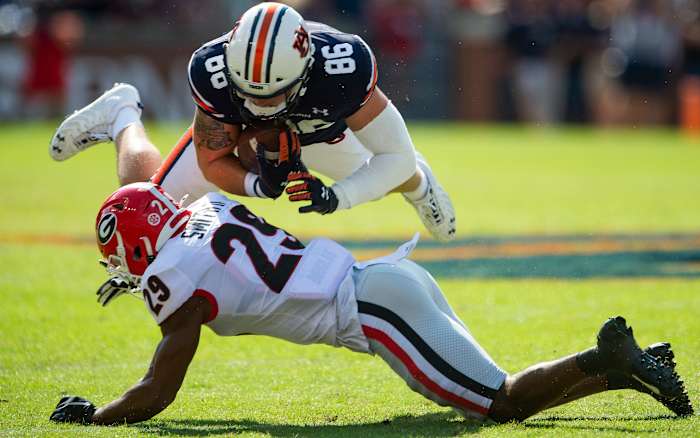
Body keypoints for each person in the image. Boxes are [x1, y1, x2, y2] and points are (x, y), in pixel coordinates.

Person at [49, 182, 692, 425]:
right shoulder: (200, 211)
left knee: (501, 404)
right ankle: (624, 371)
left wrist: (99, 418)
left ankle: (606, 354)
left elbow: (161, 388)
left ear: (136, 242)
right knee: (496, 391)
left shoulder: (173, 275)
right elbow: (150, 178)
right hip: (386, 278)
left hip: (376, 312)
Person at [49, 2, 456, 242]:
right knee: (148, 214)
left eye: (273, 94)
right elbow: (213, 160)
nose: (262, 105)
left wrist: (338, 197)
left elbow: (394, 156)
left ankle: (422, 188)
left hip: (324, 132)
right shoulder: (211, 67)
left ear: (306, 69)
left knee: (393, 173)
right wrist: (257, 185)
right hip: (244, 137)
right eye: (251, 92)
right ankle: (123, 113)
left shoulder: (341, 66)